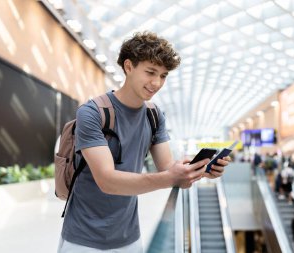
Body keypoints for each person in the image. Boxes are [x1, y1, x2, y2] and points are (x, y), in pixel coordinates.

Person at [57, 32, 230, 252]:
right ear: (128, 67)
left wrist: (200, 169)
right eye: (150, 72)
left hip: (129, 237)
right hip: (82, 239)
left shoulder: (154, 115)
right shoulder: (92, 113)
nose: (157, 83)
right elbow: (107, 181)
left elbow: (167, 169)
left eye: (163, 75)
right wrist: (170, 177)